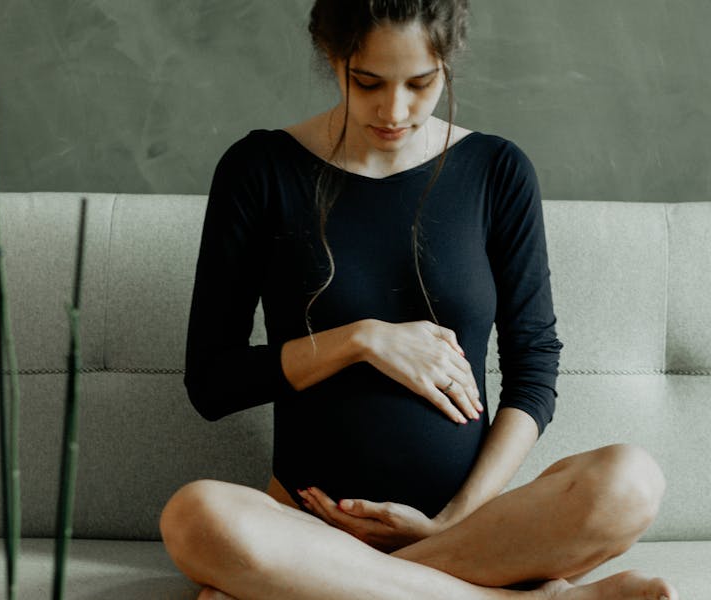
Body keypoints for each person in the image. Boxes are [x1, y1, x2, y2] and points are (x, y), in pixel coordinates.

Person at [160, 1, 678, 599]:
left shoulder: (497, 170)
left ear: (447, 65)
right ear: (333, 59)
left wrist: (454, 518)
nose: (395, 110)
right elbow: (212, 382)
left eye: (422, 83)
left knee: (630, 481)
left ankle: (354, 585)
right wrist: (363, 340)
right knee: (193, 516)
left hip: (473, 529)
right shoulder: (259, 169)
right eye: (368, 82)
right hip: (307, 527)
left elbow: (533, 369)